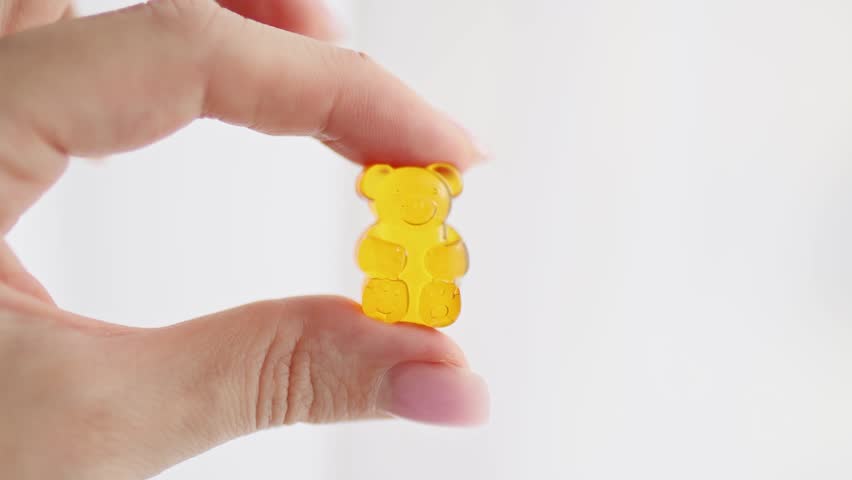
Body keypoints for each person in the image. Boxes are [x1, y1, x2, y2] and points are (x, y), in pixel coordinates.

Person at [0, 0, 490, 477]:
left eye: (423, 199)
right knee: (391, 286)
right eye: (403, 198)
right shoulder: (385, 231)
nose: (415, 206)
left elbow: (448, 258)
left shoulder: (437, 234)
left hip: (428, 282)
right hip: (394, 280)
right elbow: (374, 253)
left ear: (442, 188)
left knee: (431, 289)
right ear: (380, 187)